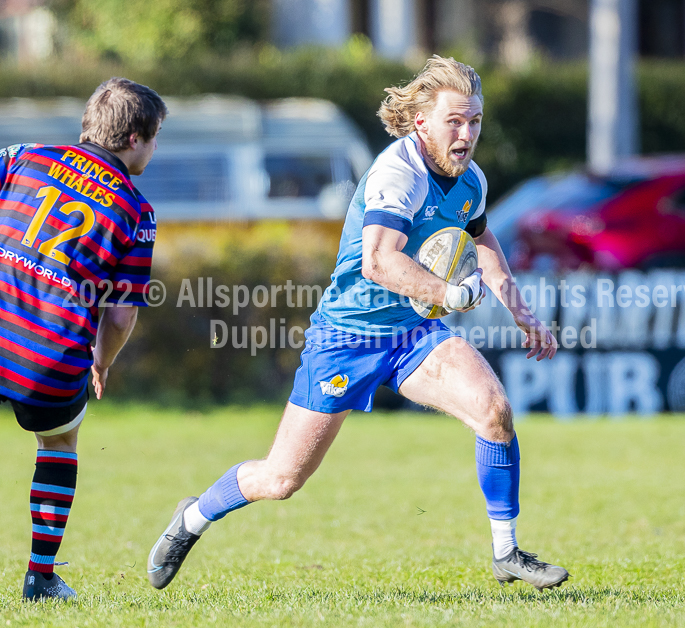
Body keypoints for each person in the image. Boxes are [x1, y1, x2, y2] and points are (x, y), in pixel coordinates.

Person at [147, 56, 568, 592]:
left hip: (414, 333)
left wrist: (520, 310)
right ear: (422, 122)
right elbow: (378, 262)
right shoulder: (399, 174)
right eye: (454, 121)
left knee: (493, 410)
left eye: (475, 121)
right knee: (280, 480)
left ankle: (507, 551)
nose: (467, 134)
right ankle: (192, 518)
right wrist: (446, 292)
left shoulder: (470, 180)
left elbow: (482, 238)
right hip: (346, 338)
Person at [0, 77, 166, 601]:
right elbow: (118, 318)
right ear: (136, 138)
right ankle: (41, 577)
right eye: (156, 137)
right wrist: (102, 361)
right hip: (45, 358)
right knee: (59, 442)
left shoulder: (21, 157)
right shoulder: (136, 213)